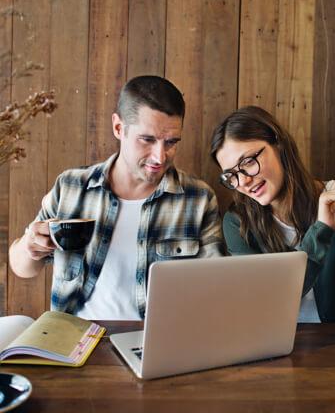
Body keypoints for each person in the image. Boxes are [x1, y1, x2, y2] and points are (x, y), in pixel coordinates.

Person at [9, 76, 225, 319]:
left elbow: (216, 287)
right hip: (75, 340)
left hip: (159, 343)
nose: (160, 157)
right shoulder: (72, 187)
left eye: (171, 142)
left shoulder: (199, 199)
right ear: (119, 128)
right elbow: (22, 268)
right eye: (147, 140)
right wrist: (30, 247)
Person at [210, 106, 335, 335]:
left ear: (279, 145)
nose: (242, 182)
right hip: (269, 349)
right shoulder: (238, 222)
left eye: (248, 162)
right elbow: (264, 308)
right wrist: (322, 231)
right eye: (231, 175)